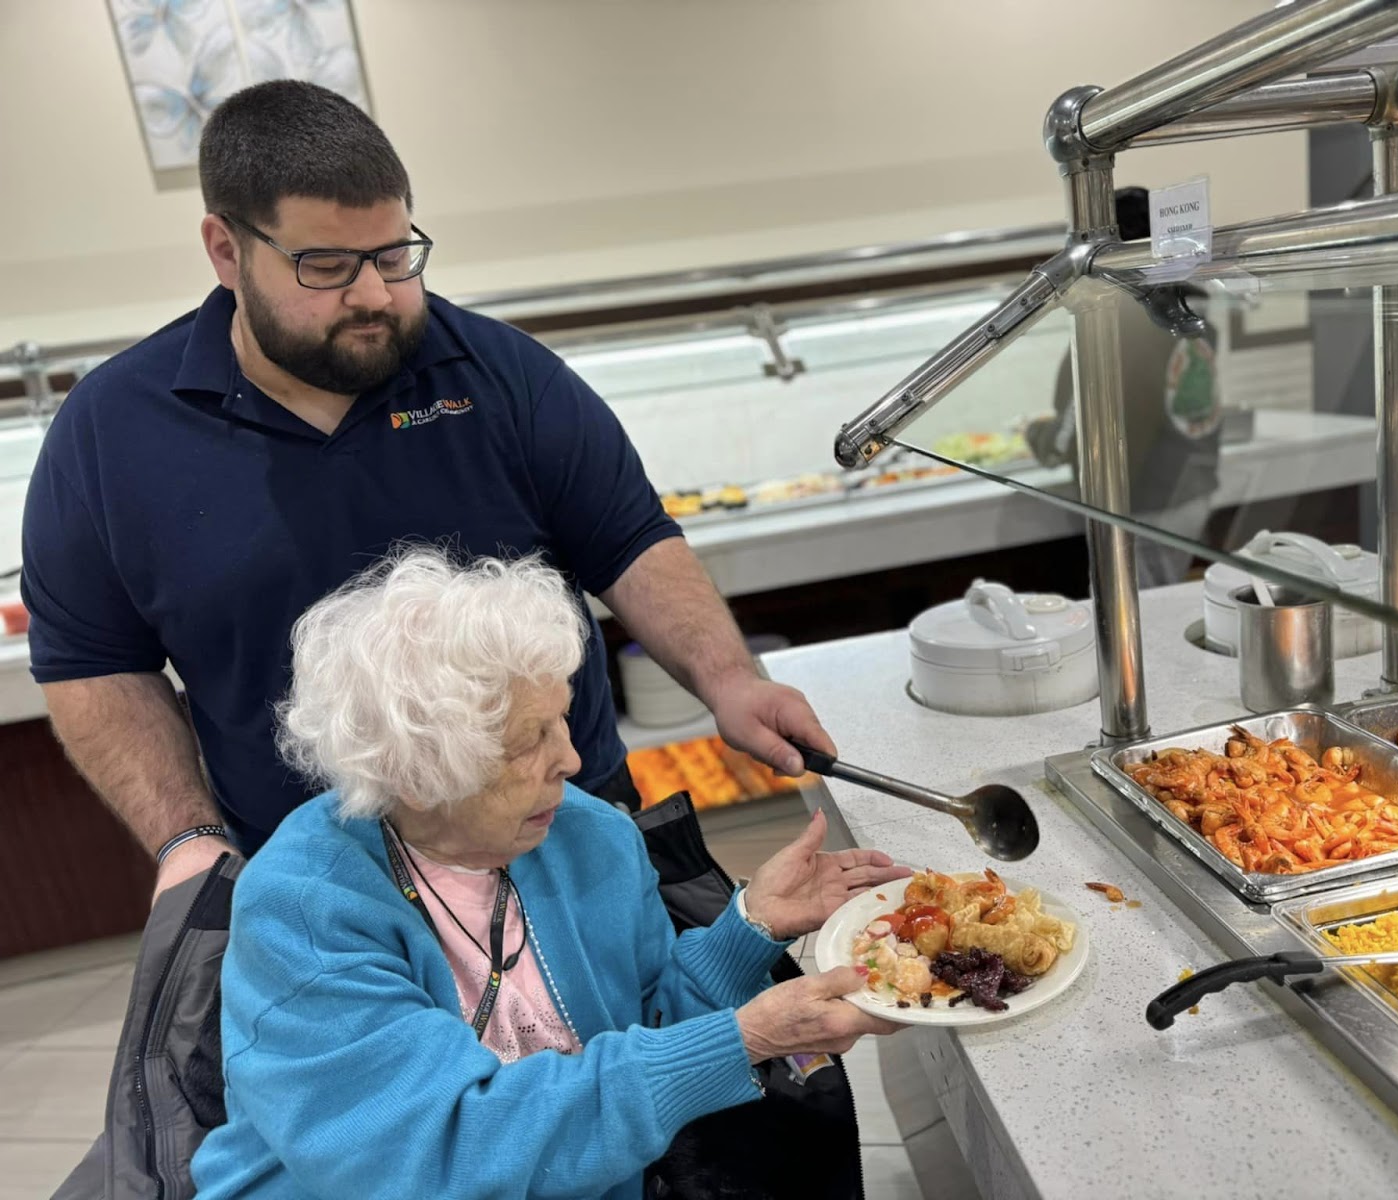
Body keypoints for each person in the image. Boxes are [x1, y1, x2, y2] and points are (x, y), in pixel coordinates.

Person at [21, 80, 835, 900]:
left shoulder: (500, 372)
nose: (373, 294)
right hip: (323, 892)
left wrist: (730, 680)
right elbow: (95, 663)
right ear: (227, 251)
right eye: (327, 266)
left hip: (568, 845)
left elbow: (629, 542)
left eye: (394, 255)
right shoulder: (111, 431)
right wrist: (187, 840)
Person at [185, 547, 905, 1198]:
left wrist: (747, 931)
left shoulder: (587, 834)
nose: (570, 759)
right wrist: (744, 1039)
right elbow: (441, 1157)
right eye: (531, 738)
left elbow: (645, 1025)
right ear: (419, 771)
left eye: (561, 719)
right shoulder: (305, 908)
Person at [1024, 186, 1222, 587]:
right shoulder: (1187, 310)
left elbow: (1071, 433)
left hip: (1141, 504)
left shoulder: (1115, 323)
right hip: (1191, 488)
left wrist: (1036, 435)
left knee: (1138, 623)